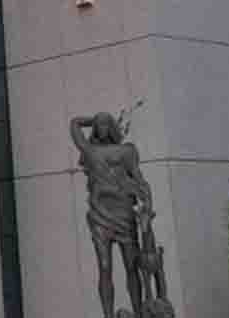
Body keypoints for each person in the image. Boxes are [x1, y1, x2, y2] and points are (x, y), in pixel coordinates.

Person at [71, 113, 151, 318]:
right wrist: (94, 118)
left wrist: (147, 203)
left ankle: (138, 312)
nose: (102, 127)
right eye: (99, 125)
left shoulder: (126, 151)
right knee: (105, 267)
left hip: (124, 212)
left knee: (132, 266)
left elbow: (138, 178)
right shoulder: (90, 151)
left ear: (113, 127)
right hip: (100, 214)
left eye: (106, 124)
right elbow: (74, 124)